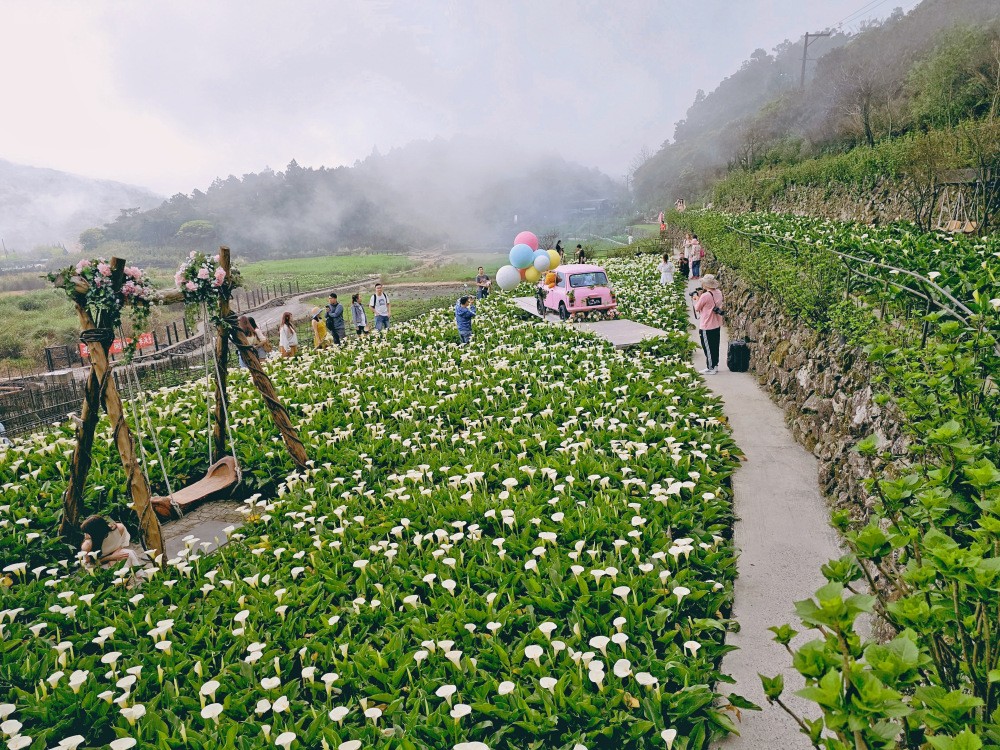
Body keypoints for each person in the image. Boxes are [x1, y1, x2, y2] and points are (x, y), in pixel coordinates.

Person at [693, 275, 724, 375]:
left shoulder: (705, 296)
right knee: (715, 346)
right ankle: (715, 365)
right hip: (716, 323)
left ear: (705, 284)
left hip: (707, 325)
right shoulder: (719, 292)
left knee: (707, 347)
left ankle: (710, 368)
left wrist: (697, 298)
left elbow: (697, 308)